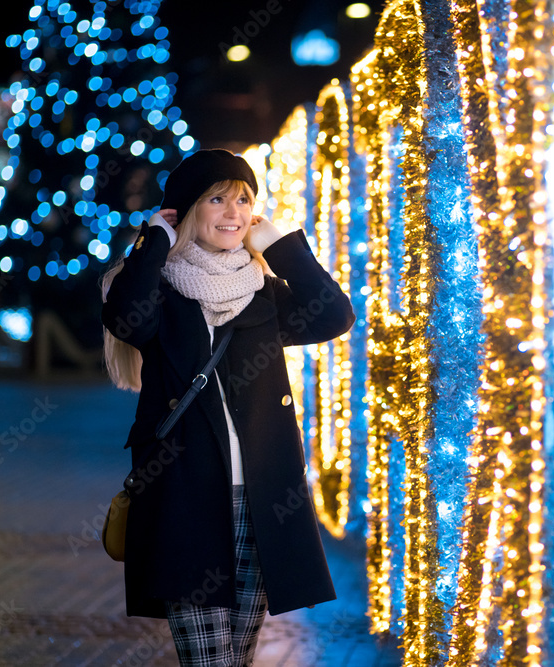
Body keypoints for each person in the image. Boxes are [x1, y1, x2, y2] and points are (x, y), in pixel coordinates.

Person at [100, 148, 354, 666]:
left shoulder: (262, 293)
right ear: (187, 211)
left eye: (243, 199)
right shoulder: (163, 291)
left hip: (261, 502)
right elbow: (126, 320)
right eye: (217, 199)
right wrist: (154, 242)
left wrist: (281, 247)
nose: (233, 212)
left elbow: (333, 316)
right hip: (183, 500)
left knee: (235, 658)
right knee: (210, 661)